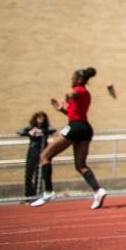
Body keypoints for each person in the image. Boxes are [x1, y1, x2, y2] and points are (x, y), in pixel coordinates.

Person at [32, 67, 107, 209]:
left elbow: (71, 94)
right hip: (85, 128)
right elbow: (74, 115)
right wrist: (61, 109)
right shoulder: (85, 93)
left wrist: (65, 98)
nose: (71, 81)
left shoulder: (79, 89)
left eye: (72, 78)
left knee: (44, 157)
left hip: (75, 127)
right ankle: (98, 190)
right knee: (80, 165)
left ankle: (48, 191)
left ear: (78, 79)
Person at [18, 112, 55, 200]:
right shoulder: (31, 127)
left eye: (43, 118)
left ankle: (37, 195)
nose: (41, 120)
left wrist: (42, 131)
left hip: (43, 153)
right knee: (28, 174)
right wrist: (29, 132)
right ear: (35, 118)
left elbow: (53, 130)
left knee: (39, 175)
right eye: (39, 118)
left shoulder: (46, 127)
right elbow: (20, 132)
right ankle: (28, 196)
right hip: (32, 152)